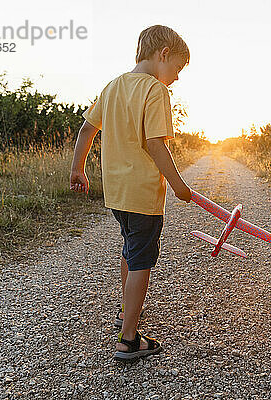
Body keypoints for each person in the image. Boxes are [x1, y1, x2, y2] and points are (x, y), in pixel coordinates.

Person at [69, 25, 192, 362]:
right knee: (141, 261)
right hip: (142, 195)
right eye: (178, 68)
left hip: (117, 194)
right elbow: (155, 144)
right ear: (163, 54)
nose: (177, 78)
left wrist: (78, 168)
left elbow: (86, 129)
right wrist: (179, 185)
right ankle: (129, 340)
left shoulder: (112, 86)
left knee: (130, 250)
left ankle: (127, 313)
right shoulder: (155, 91)